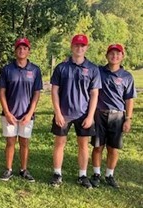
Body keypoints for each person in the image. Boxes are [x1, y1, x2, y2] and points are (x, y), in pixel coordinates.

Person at [49, 34, 101, 188]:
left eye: (82, 45)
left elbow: (94, 94)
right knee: (59, 143)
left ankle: (82, 175)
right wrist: (58, 113)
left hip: (84, 114)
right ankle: (57, 174)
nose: (79, 48)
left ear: (86, 48)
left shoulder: (93, 69)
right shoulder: (61, 67)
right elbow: (54, 91)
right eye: (76, 45)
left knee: (83, 144)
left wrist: (91, 116)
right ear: (71, 47)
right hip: (63, 113)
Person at [90, 44, 136, 188]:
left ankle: (109, 174)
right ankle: (96, 174)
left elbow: (129, 99)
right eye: (111, 53)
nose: (114, 56)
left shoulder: (127, 76)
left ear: (122, 56)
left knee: (113, 148)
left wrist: (128, 119)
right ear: (106, 55)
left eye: (118, 54)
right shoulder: (98, 71)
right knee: (98, 146)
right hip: (99, 114)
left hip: (117, 116)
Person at [0, 38, 43, 182]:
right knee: (10, 142)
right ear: (15, 50)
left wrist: (29, 114)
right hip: (9, 114)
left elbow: (36, 94)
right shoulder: (7, 69)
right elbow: (2, 92)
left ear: (29, 51)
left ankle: (23, 170)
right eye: (19, 48)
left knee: (24, 143)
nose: (21, 50)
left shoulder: (35, 70)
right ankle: (8, 169)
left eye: (25, 48)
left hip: (27, 115)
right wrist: (7, 112)